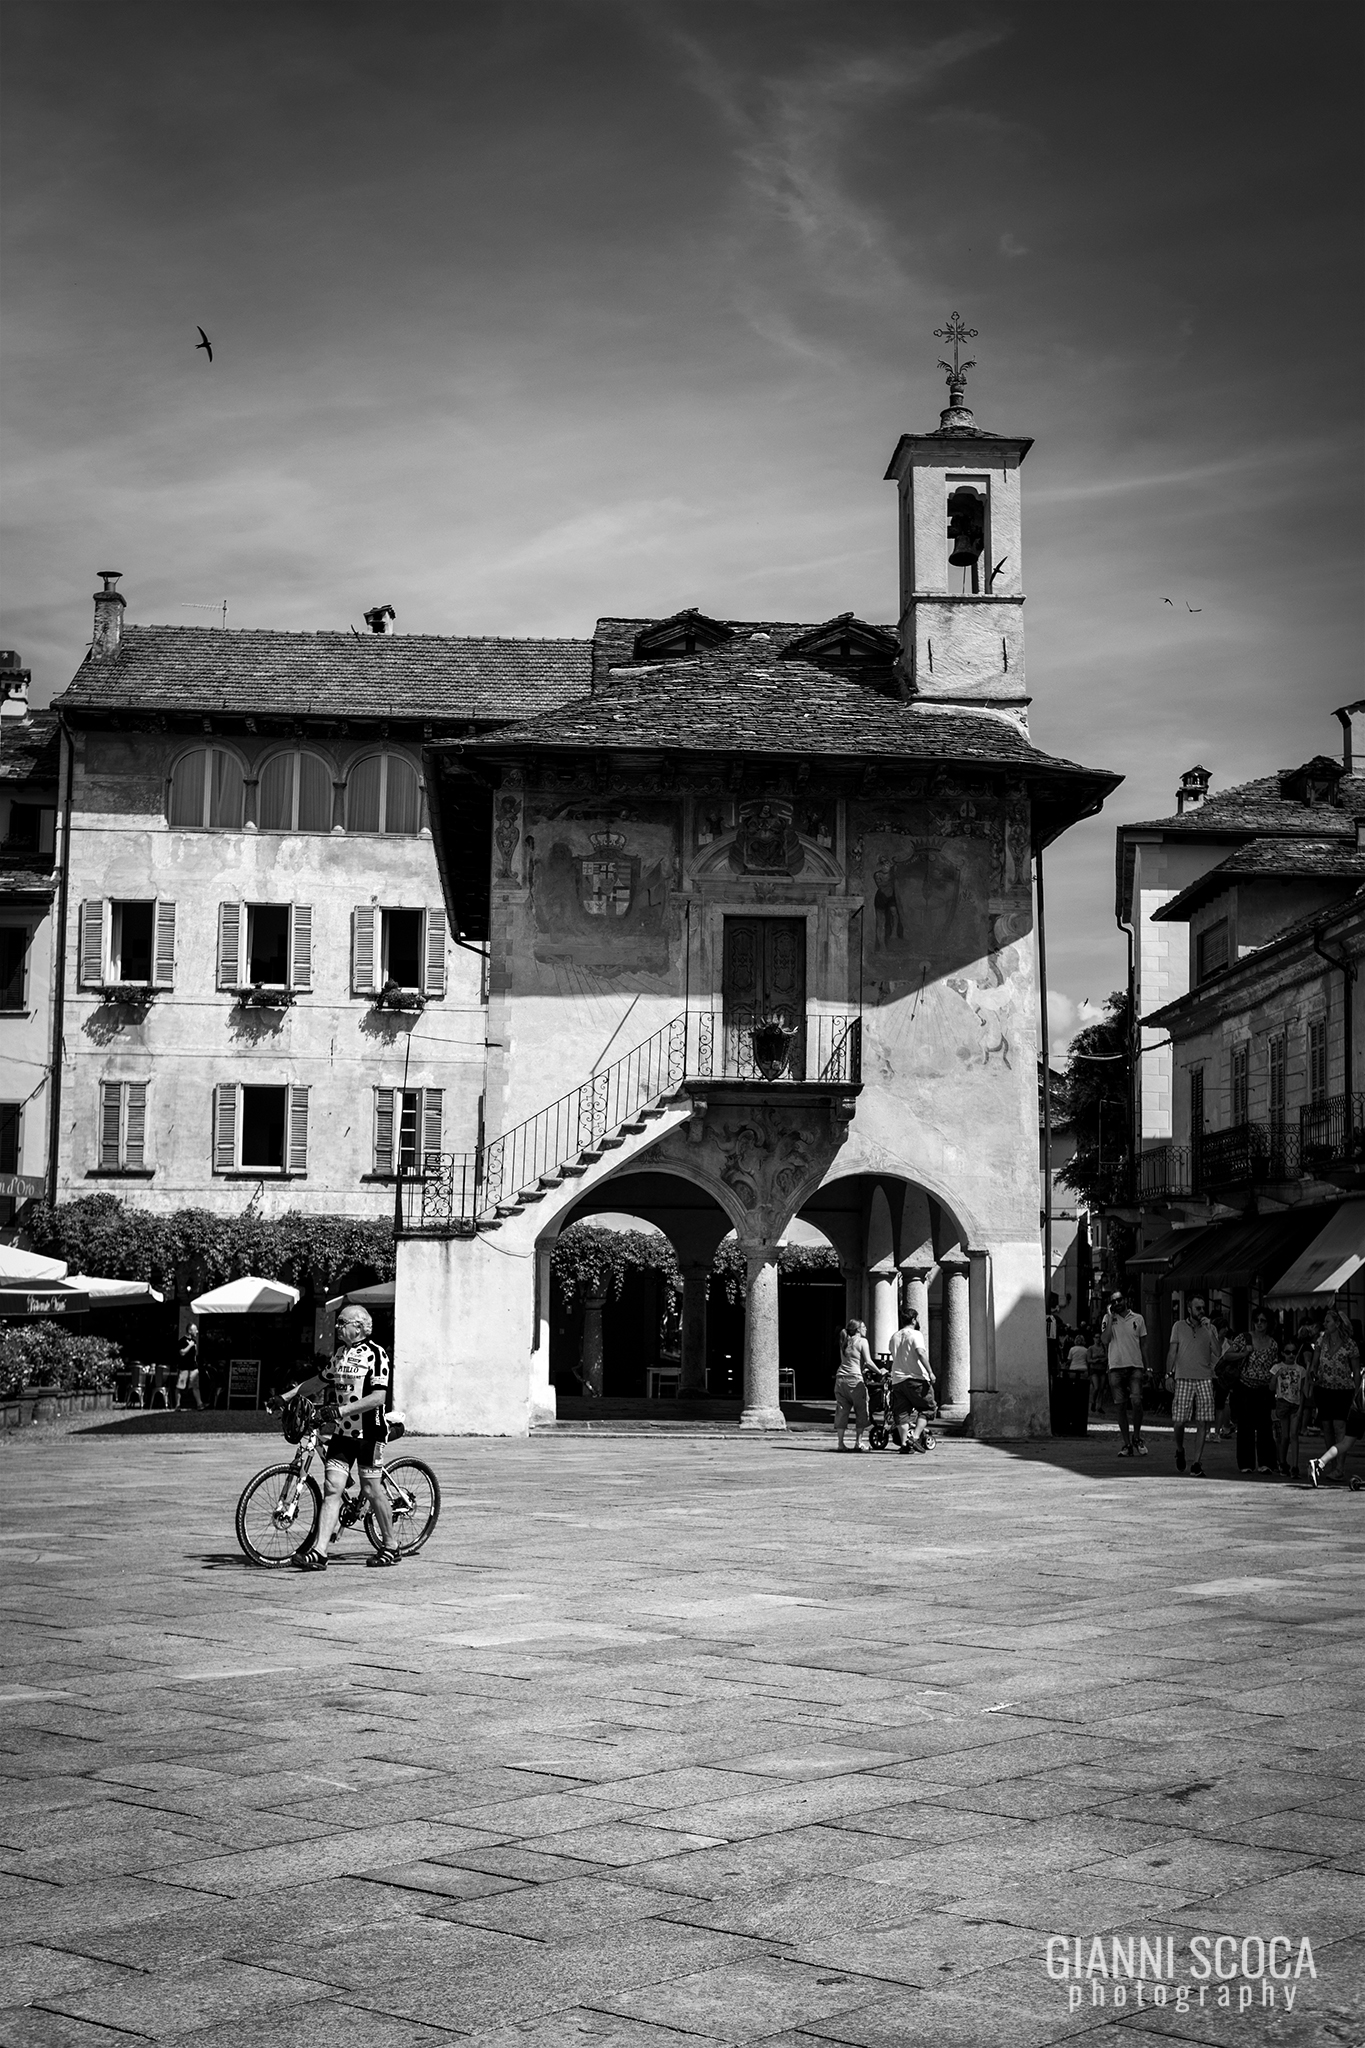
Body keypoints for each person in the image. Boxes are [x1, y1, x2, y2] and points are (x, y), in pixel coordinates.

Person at [283, 1305, 399, 1570]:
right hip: (343, 1432)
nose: (337, 1327)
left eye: (342, 1322)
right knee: (332, 1488)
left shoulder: (376, 1354)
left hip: (370, 1432)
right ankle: (320, 1552)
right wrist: (285, 1397)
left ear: (358, 1326)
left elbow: (379, 1397)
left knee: (370, 1489)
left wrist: (340, 1409)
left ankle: (391, 1545)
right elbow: (318, 1382)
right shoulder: (340, 1354)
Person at [1165, 1294, 1220, 1476]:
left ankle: (1197, 1462)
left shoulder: (1209, 1328)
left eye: (1203, 1307)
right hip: (1183, 1378)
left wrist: (1211, 1331)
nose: (1202, 1311)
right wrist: (1169, 1375)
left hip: (1204, 1377)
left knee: (1203, 1421)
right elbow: (1172, 1352)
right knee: (1179, 1421)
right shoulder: (1179, 1326)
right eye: (1198, 1308)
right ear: (1189, 1309)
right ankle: (1180, 1449)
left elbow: (1218, 1352)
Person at [1308, 1331, 1364, 1489]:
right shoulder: (1322, 1341)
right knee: (1335, 1432)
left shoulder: (1350, 1345)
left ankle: (1320, 1462)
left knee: (1345, 1440)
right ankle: (1329, 1466)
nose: (1325, 1325)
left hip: (1356, 1402)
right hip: (1338, 1394)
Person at [1231, 1312, 1279, 1475]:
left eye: (1263, 1321)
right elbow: (1228, 1355)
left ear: (1268, 1323)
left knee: (1265, 1426)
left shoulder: (1272, 1344)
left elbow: (1274, 1365)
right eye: (1256, 1320)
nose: (1259, 1323)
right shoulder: (1244, 1338)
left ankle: (1266, 1463)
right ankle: (1246, 1463)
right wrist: (1243, 1353)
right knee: (1245, 1426)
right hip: (1245, 1386)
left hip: (1264, 1389)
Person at [1102, 1291, 1149, 1456]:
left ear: (1125, 1300)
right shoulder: (1108, 1319)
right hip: (1115, 1366)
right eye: (1113, 1301)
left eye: (1119, 1300)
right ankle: (1127, 1443)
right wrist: (1109, 1318)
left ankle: (1136, 1437)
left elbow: (1143, 1345)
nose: (1117, 1303)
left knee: (1136, 1401)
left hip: (1135, 1365)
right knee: (1120, 1405)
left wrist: (1147, 1367)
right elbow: (1105, 1340)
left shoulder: (1138, 1318)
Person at [887, 1304, 935, 1454]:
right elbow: (920, 1353)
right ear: (914, 1320)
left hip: (898, 1380)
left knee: (902, 1413)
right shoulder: (915, 1334)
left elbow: (894, 1356)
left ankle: (904, 1444)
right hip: (916, 1378)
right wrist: (930, 1372)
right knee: (928, 1408)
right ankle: (914, 1437)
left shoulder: (894, 1336)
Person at [834, 1319, 872, 1452]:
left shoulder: (844, 1341)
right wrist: (880, 1371)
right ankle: (858, 1442)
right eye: (864, 1327)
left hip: (840, 1379)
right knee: (861, 1410)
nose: (866, 1329)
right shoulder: (862, 1341)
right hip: (855, 1379)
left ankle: (840, 1443)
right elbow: (868, 1362)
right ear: (858, 1330)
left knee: (842, 1410)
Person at [1271, 1343, 1307, 1480]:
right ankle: (1282, 1463)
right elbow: (1271, 1387)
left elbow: (1303, 1391)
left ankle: (1295, 1466)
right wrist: (1276, 1376)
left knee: (1293, 1435)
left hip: (1295, 1404)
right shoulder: (1276, 1368)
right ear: (1283, 1353)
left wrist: (1301, 1409)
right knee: (1284, 1436)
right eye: (1288, 1352)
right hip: (1282, 1402)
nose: (1291, 1355)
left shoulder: (1301, 1369)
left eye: (1293, 1352)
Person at [176, 1322, 204, 1412]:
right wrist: (190, 1345)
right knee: (180, 1387)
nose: (197, 1331)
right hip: (184, 1368)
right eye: (195, 1330)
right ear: (189, 1330)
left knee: (195, 1386)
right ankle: (178, 1405)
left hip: (193, 1368)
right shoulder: (182, 1341)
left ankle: (199, 1404)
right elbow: (182, 1352)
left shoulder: (194, 1341)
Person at [1087, 1327, 1108, 1414]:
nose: (1098, 1339)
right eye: (1096, 1337)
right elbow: (1088, 1359)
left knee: (1102, 1388)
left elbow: (1107, 1357)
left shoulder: (1104, 1347)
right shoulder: (1091, 1348)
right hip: (1094, 1369)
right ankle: (1093, 1402)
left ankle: (1100, 1406)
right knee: (1096, 1387)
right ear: (1093, 1338)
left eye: (1099, 1337)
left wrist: (1103, 1360)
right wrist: (1094, 1361)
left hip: (1102, 1368)